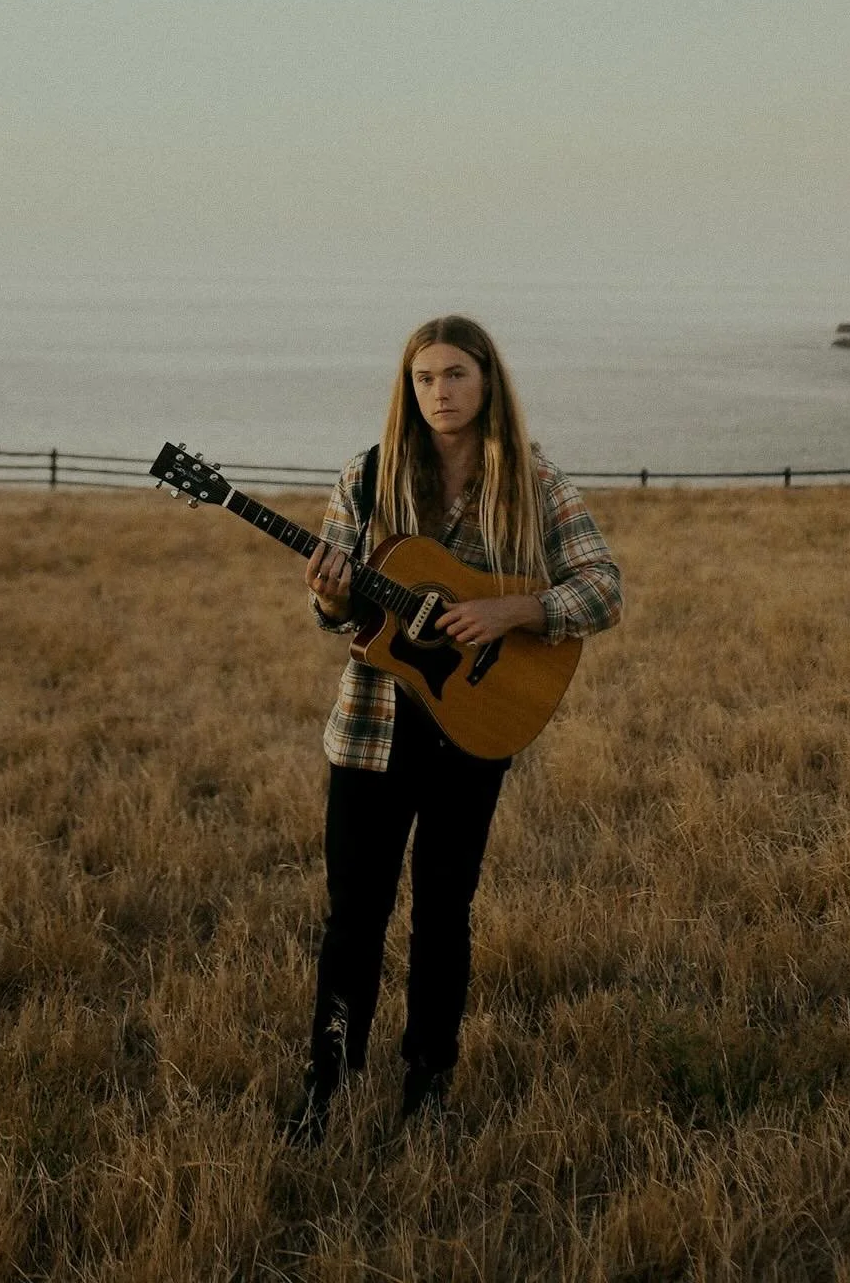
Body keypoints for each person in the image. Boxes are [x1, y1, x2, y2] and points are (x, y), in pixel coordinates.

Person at [285, 314, 622, 1144]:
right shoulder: (365, 480)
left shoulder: (533, 484)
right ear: (410, 388)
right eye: (426, 378)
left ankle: (428, 1082)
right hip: (372, 728)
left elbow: (603, 587)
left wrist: (518, 608)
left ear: (488, 381)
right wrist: (330, 595)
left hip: (472, 729)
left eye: (457, 376)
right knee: (353, 915)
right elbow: (335, 616)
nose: (441, 393)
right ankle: (326, 1083)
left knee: (444, 911)